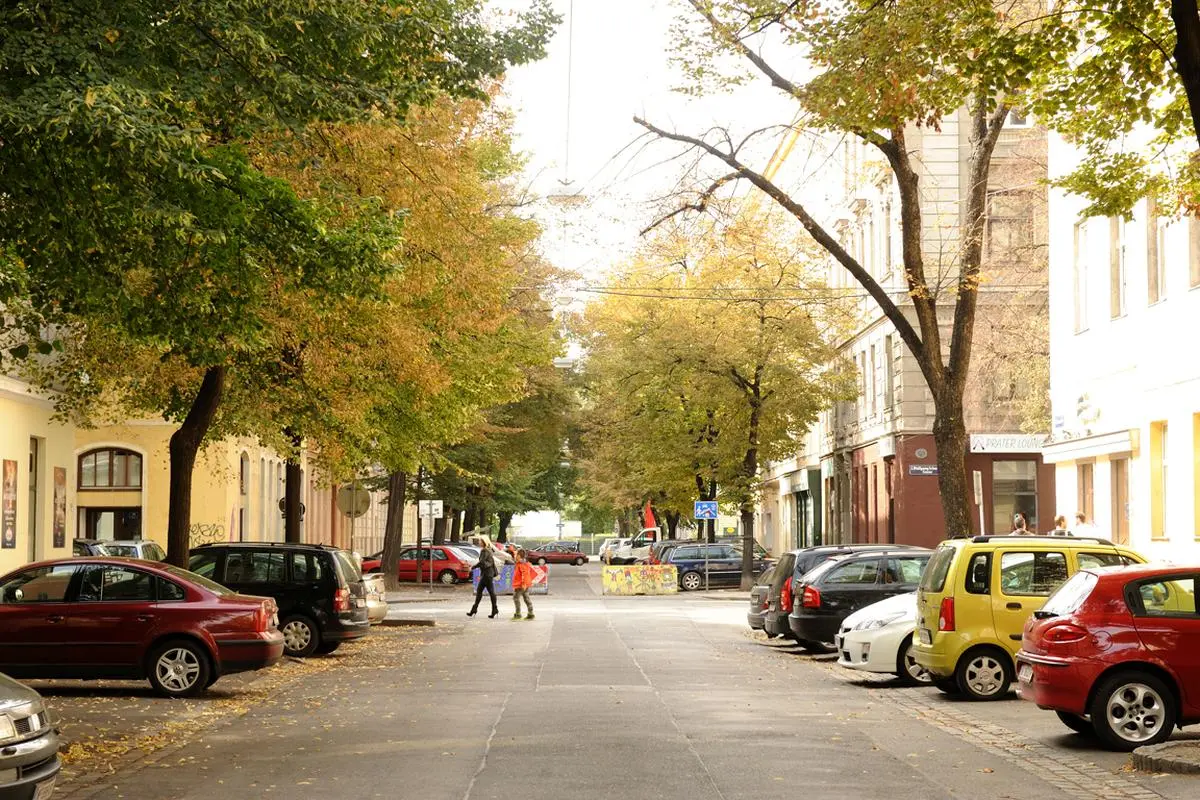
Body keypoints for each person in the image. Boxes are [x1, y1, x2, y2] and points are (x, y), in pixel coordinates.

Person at [467, 535, 500, 619]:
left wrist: (473, 567)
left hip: (486, 575)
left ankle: (475, 610)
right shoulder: (488, 550)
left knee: (483, 592)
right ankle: (493, 609)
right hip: (488, 574)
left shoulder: (484, 551)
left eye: (480, 541)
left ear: (484, 542)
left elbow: (481, 562)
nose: (479, 542)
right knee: (488, 592)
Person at [511, 548, 535, 620]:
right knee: (526, 598)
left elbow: (525, 574)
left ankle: (518, 614)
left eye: (516, 555)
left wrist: (523, 584)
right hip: (524, 584)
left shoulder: (522, 564)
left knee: (516, 598)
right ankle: (531, 614)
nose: (515, 556)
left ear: (519, 556)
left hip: (520, 584)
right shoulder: (521, 563)